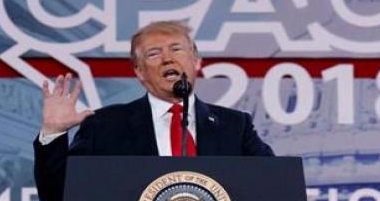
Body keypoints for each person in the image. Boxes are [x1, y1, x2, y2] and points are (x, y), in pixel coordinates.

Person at [33, 21, 274, 201]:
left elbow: (274, 187)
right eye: (154, 53)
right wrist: (52, 133)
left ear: (195, 60)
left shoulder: (234, 125)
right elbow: (60, 194)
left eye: (176, 49)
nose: (167, 59)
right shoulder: (105, 125)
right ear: (139, 71)